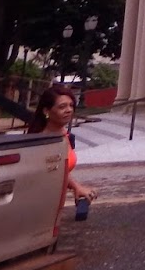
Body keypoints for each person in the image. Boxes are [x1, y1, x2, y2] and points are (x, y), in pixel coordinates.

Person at [28, 85, 97, 214]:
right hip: (41, 206)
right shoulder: (43, 141)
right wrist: (76, 187)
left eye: (71, 105)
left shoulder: (64, 134)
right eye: (62, 107)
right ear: (46, 111)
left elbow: (60, 169)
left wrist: (76, 187)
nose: (69, 110)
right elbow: (52, 171)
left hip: (56, 202)